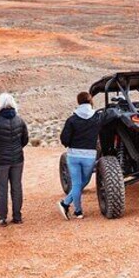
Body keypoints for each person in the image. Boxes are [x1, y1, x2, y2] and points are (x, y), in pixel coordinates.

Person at [0, 93, 29, 226]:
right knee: (17, 187)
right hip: (17, 159)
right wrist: (17, 148)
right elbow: (25, 139)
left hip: (0, 161)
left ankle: (2, 218)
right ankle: (17, 216)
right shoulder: (19, 120)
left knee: (2, 188)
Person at [57, 91, 104, 220]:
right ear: (90, 101)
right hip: (89, 155)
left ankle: (72, 207)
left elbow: (64, 139)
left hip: (73, 155)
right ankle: (72, 208)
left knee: (77, 183)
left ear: (78, 102)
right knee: (84, 181)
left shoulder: (72, 119)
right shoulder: (97, 117)